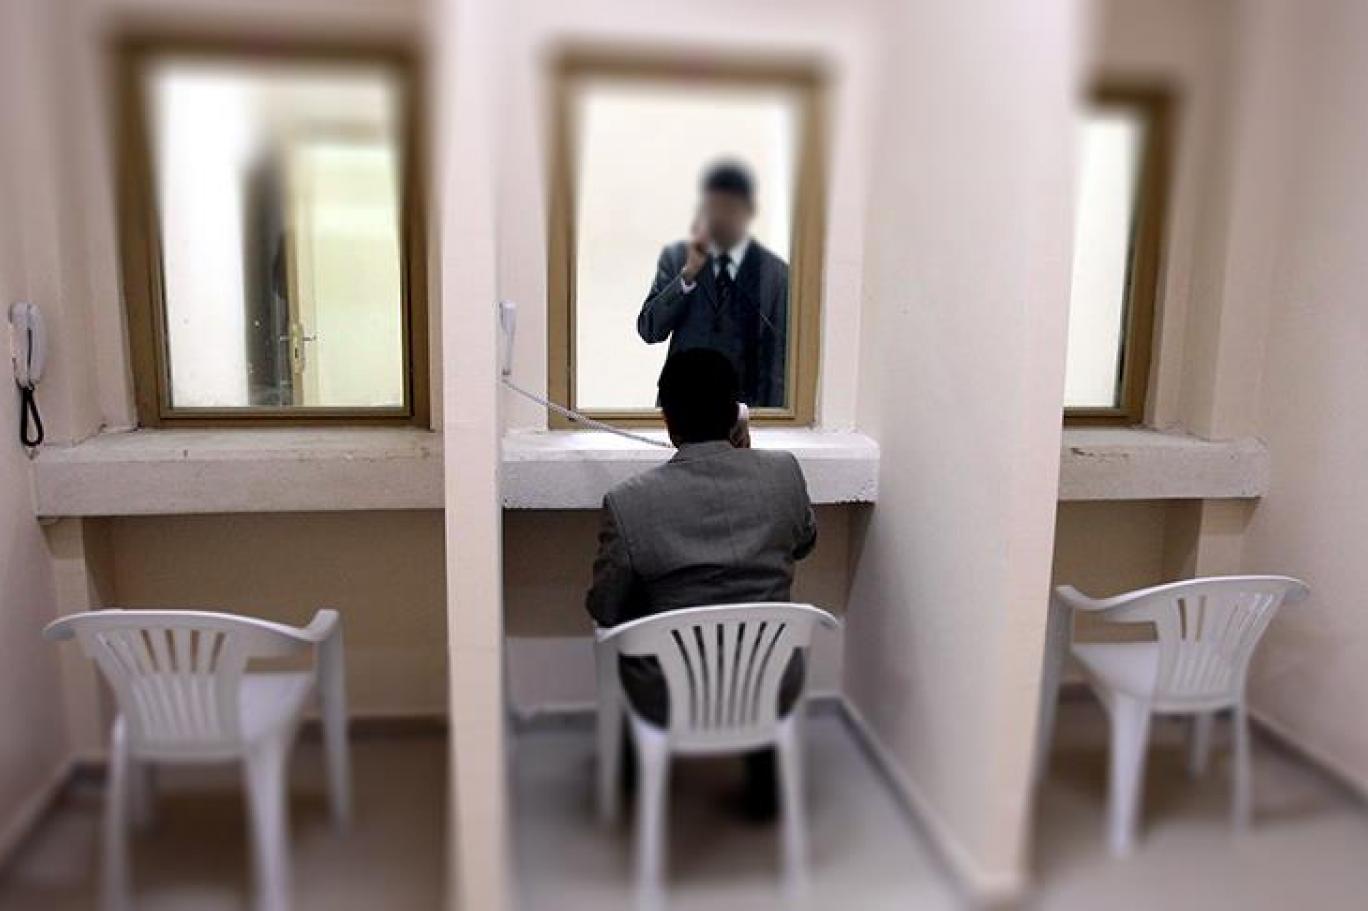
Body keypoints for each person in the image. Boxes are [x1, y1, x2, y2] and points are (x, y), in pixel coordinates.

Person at [586, 348, 817, 817]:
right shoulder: (784, 474)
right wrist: (744, 453)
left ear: (668, 420)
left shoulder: (628, 502)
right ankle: (764, 777)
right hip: (772, 680)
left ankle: (636, 775)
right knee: (749, 633)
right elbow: (804, 544)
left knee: (635, 618)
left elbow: (604, 608)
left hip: (669, 693)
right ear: (736, 414)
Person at [636, 160, 790, 408]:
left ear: (749, 211)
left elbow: (780, 358)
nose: (720, 218)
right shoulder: (677, 257)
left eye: (729, 208)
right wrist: (687, 276)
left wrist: (773, 419)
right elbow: (649, 329)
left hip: (743, 413)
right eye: (713, 208)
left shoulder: (775, 274)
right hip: (681, 407)